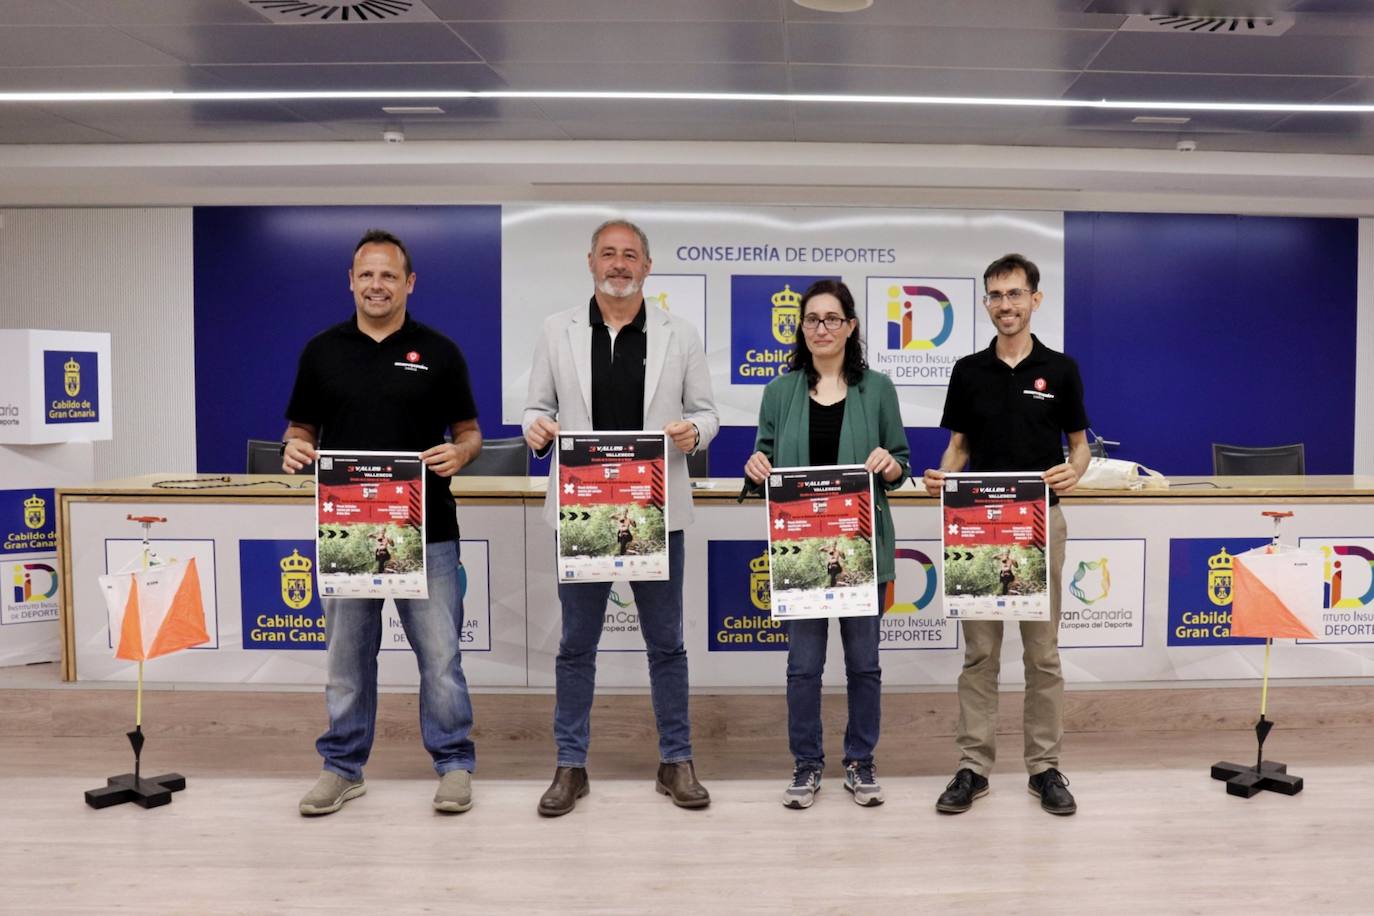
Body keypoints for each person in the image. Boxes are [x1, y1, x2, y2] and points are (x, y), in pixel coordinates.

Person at [523, 219, 720, 817]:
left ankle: (676, 761)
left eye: (630, 255)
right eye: (608, 254)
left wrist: (694, 431)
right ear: (590, 262)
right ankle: (570, 764)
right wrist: (536, 428)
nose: (618, 264)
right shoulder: (556, 330)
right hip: (584, 509)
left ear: (647, 267)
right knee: (577, 645)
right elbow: (537, 407)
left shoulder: (678, 334)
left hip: (657, 510)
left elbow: (708, 414)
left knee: (666, 644)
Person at [282, 229, 482, 817]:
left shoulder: (440, 351)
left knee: (441, 659)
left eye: (389, 275)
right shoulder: (320, 351)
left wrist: (461, 454)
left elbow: (468, 435)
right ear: (351, 281)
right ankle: (342, 768)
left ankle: (454, 764)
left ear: (409, 283)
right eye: (366, 274)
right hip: (349, 531)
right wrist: (293, 449)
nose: (377, 285)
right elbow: (301, 432)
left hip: (429, 532)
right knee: (347, 661)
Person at [922, 253, 1089, 817]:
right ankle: (973, 767)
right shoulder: (968, 371)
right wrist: (943, 474)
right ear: (987, 302)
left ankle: (1044, 769)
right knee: (980, 655)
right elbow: (959, 448)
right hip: (978, 527)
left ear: (1035, 299)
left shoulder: (1061, 368)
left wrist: (1077, 468)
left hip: (1042, 524)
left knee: (1043, 656)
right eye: (995, 295)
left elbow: (1080, 445)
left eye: (1015, 294)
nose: (1005, 305)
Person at [742, 278, 910, 810]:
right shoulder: (778, 391)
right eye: (812, 319)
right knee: (802, 668)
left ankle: (860, 762)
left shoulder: (878, 388)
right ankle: (807, 764)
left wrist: (890, 465)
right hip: (801, 553)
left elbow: (900, 463)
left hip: (861, 551)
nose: (821, 328)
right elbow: (761, 465)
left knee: (864, 665)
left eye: (832, 319)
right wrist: (755, 468)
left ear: (851, 326)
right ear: (802, 328)